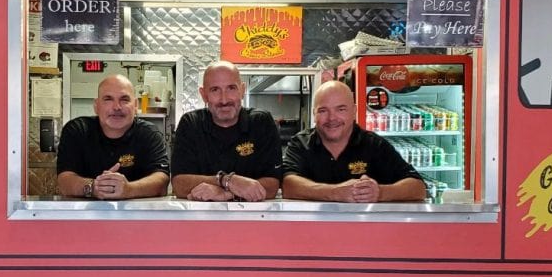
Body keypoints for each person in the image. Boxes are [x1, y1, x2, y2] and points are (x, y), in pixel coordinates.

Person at [282, 79, 427, 202]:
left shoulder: (374, 145)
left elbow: (418, 187)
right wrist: (335, 192)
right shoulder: (300, 143)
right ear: (314, 114)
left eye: (341, 109)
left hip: (364, 226)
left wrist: (380, 192)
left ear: (354, 111)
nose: (332, 118)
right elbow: (288, 186)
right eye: (323, 111)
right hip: (311, 226)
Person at [171, 61, 281, 201]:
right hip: (201, 214)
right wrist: (225, 180)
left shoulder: (261, 122)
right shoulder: (191, 124)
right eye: (215, 90)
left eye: (231, 88)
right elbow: (179, 185)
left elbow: (272, 186)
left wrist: (226, 194)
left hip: (253, 214)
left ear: (242, 90)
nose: (224, 100)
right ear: (203, 95)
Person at [56, 74, 170, 199]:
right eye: (108, 99)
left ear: (136, 105)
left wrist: (129, 189)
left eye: (124, 99)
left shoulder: (149, 134)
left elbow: (162, 181)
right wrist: (94, 187)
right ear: (96, 106)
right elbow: (64, 181)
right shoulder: (77, 131)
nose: (117, 107)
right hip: (85, 211)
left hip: (137, 212)